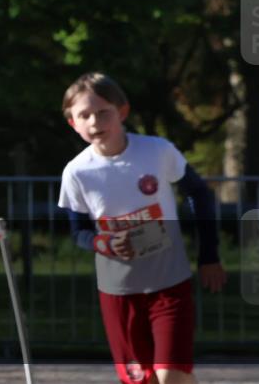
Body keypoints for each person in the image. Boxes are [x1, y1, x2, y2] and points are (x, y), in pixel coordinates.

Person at [57, 72, 227, 384]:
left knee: (169, 376)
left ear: (122, 112)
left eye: (103, 112)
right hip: (119, 292)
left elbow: (199, 194)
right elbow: (77, 231)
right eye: (85, 115)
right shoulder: (77, 173)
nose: (95, 122)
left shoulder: (156, 151)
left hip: (169, 284)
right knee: (143, 380)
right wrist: (104, 244)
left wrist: (209, 256)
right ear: (73, 124)